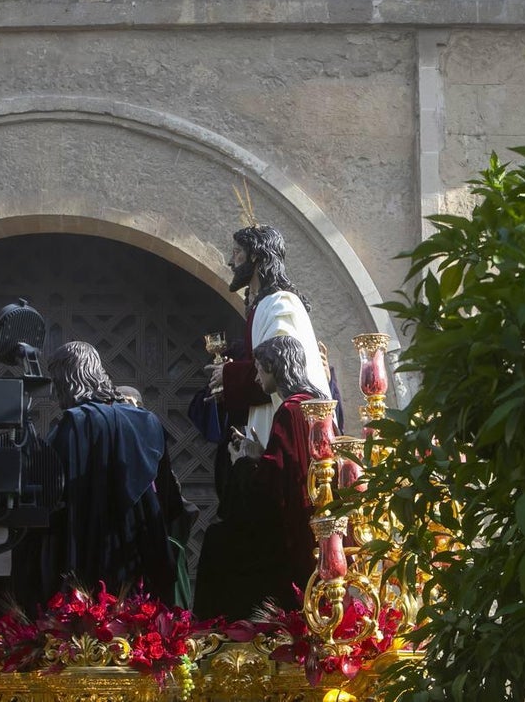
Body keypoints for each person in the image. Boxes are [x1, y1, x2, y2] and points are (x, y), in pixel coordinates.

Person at [35, 341, 186, 605]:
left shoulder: (73, 425)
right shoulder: (147, 421)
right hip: (138, 551)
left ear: (68, 380)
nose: (55, 395)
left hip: (84, 550)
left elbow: (47, 494)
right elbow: (168, 497)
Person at [194, 335, 325, 620]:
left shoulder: (290, 410)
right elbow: (289, 464)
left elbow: (271, 484)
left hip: (289, 528)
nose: (254, 379)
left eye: (258, 370)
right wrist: (257, 453)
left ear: (273, 367)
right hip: (312, 517)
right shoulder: (316, 403)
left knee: (218, 545)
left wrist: (241, 462)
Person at [208, 225, 329, 447]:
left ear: (255, 255)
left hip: (286, 421)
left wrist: (228, 374)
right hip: (268, 415)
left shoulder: (280, 303)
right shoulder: (263, 305)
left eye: (237, 252)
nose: (230, 262)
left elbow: (283, 367)